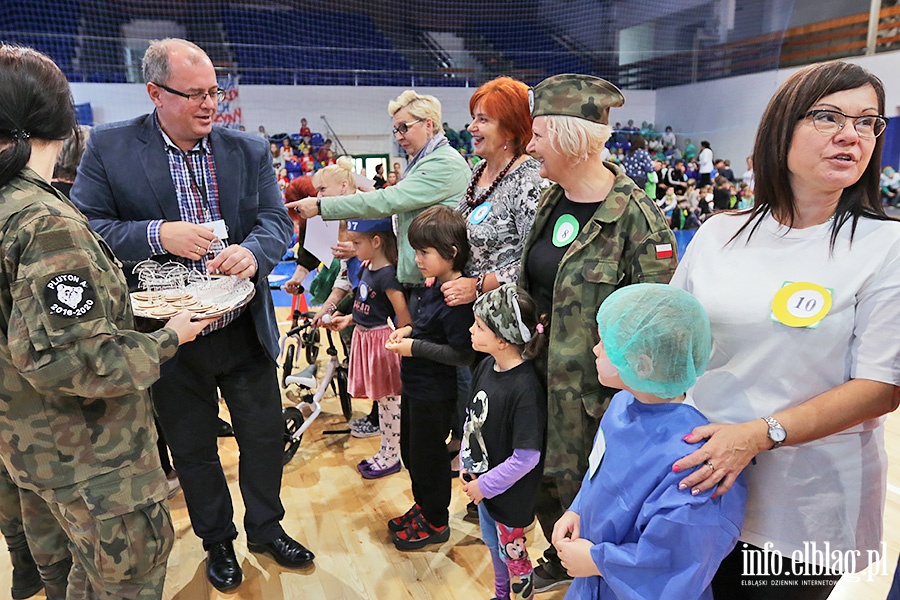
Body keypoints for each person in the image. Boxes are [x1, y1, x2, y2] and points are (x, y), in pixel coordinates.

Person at [70, 38, 314, 593]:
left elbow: (275, 222)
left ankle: (266, 528)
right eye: (196, 94)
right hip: (168, 337)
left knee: (262, 437)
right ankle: (217, 540)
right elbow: (86, 229)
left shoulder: (247, 150)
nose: (210, 104)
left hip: (242, 329)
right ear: (156, 93)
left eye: (215, 92)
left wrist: (255, 252)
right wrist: (158, 234)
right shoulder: (109, 147)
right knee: (194, 449)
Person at [670, 60, 899, 599]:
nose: (851, 134)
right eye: (829, 117)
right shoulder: (718, 234)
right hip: (703, 479)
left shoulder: (885, 246)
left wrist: (756, 435)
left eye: (868, 122)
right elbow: (672, 338)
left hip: (806, 506)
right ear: (782, 128)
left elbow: (881, 387)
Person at [0, 43, 216, 598]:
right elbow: (73, 361)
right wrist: (169, 337)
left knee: (64, 576)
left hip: (27, 447)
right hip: (92, 459)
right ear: (61, 121)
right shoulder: (43, 223)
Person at [519, 73, 679, 593]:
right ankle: (561, 558)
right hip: (537, 386)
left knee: (590, 504)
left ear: (567, 138)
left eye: (539, 133)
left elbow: (658, 328)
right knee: (544, 489)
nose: (530, 145)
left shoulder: (637, 219)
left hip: (595, 405)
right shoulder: (551, 201)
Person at [553, 284, 746, 599]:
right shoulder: (619, 406)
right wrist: (578, 510)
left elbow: (678, 560)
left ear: (641, 364)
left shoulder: (692, 457)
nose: (595, 350)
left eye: (605, 342)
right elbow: (598, 473)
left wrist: (598, 561)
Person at [288, 90, 470, 286]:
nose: (399, 137)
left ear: (428, 124)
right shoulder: (424, 162)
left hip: (437, 280)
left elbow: (389, 201)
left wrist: (321, 206)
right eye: (396, 130)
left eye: (404, 128)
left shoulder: (443, 164)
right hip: (425, 276)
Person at [384, 206, 477, 550]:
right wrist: (408, 330)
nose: (417, 258)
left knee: (429, 457)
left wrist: (414, 347)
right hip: (415, 386)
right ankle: (423, 507)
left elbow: (462, 354)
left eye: (424, 252)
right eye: (416, 250)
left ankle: (436, 519)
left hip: (435, 392)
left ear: (451, 253)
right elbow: (425, 329)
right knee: (412, 452)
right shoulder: (433, 286)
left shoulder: (456, 297)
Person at [460, 284, 548, 600]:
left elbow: (527, 457)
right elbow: (473, 420)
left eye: (479, 326)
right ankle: (501, 594)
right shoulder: (486, 365)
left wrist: (485, 486)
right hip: (486, 488)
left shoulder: (525, 390)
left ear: (502, 338)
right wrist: (466, 464)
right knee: (492, 545)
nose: (471, 330)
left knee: (514, 557)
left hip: (507, 496)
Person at [326, 217, 411, 478]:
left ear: (376, 242)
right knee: (383, 402)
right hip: (366, 339)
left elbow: (403, 317)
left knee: (390, 402)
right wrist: (350, 318)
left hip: (381, 344)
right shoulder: (366, 268)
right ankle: (386, 450)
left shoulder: (387, 276)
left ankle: (392, 454)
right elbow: (366, 306)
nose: (353, 247)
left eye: (356, 242)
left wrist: (398, 339)